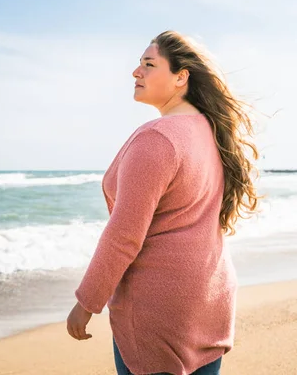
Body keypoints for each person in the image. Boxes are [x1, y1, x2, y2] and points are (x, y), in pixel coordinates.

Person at [67, 30, 261, 375]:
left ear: (180, 77)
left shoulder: (157, 139)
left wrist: (87, 302)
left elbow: (124, 235)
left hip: (160, 311)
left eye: (148, 64)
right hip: (209, 297)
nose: (135, 72)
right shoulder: (210, 130)